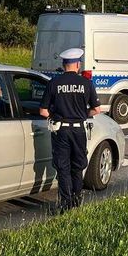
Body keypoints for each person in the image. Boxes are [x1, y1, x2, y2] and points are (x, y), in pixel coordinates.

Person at [39, 47, 100, 211]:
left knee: (63, 167)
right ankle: (77, 200)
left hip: (61, 131)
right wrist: (82, 114)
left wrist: (55, 117)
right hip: (79, 131)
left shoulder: (54, 83)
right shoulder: (86, 83)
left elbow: (43, 111)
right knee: (77, 166)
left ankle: (65, 204)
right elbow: (96, 110)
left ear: (64, 64)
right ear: (77, 64)